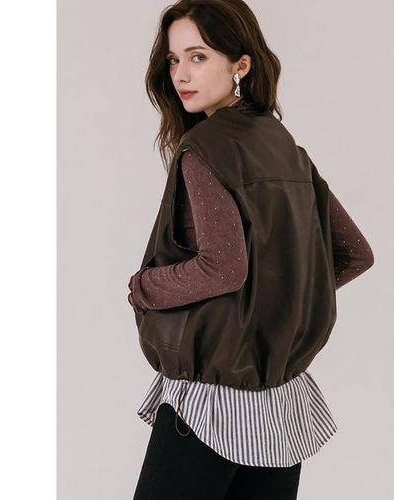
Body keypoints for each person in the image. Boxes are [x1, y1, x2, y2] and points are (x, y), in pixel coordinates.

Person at [127, 1, 374, 499]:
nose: (181, 74)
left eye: (198, 56)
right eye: (174, 60)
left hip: (210, 405)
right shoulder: (282, 144)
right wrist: (276, 301)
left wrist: (145, 286)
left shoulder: (206, 148)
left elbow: (222, 268)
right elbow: (354, 254)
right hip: (280, 407)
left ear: (241, 64)